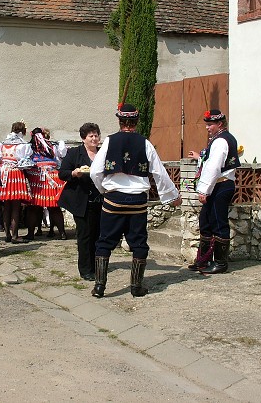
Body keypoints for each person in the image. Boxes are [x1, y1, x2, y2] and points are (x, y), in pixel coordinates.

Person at [90, 103, 182, 298]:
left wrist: (103, 189)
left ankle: (99, 287)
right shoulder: (145, 143)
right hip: (137, 203)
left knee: (105, 242)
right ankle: (136, 287)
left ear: (120, 121)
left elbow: (95, 171)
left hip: (113, 200)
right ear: (136, 121)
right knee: (139, 243)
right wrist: (172, 196)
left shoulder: (109, 141)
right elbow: (159, 172)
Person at [187, 109, 240, 275]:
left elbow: (213, 168)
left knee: (218, 223)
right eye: (207, 124)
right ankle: (204, 259)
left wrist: (204, 190)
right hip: (217, 185)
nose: (207, 128)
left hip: (221, 185)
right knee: (206, 221)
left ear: (220, 124)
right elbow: (208, 161)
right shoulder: (219, 139)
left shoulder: (221, 141)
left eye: (210, 125)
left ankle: (220, 262)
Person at [58, 123, 102, 281]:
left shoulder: (103, 153)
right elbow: (62, 173)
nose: (94, 138)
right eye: (90, 136)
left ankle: (97, 266)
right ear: (84, 138)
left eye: (96, 135)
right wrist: (74, 173)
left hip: (99, 200)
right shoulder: (75, 153)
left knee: (97, 235)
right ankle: (85, 269)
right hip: (81, 201)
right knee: (85, 235)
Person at [24, 127, 67, 241]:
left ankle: (31, 234)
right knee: (53, 207)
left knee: (34, 207)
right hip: (50, 176)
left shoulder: (30, 146)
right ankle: (62, 233)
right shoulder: (53, 145)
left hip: (38, 176)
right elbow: (60, 158)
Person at [0, 121, 32, 243]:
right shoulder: (23, 145)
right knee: (16, 206)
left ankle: (7, 234)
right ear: (23, 131)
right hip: (15, 173)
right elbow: (25, 161)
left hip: (4, 173)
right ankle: (15, 235)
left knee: (6, 205)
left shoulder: (2, 144)